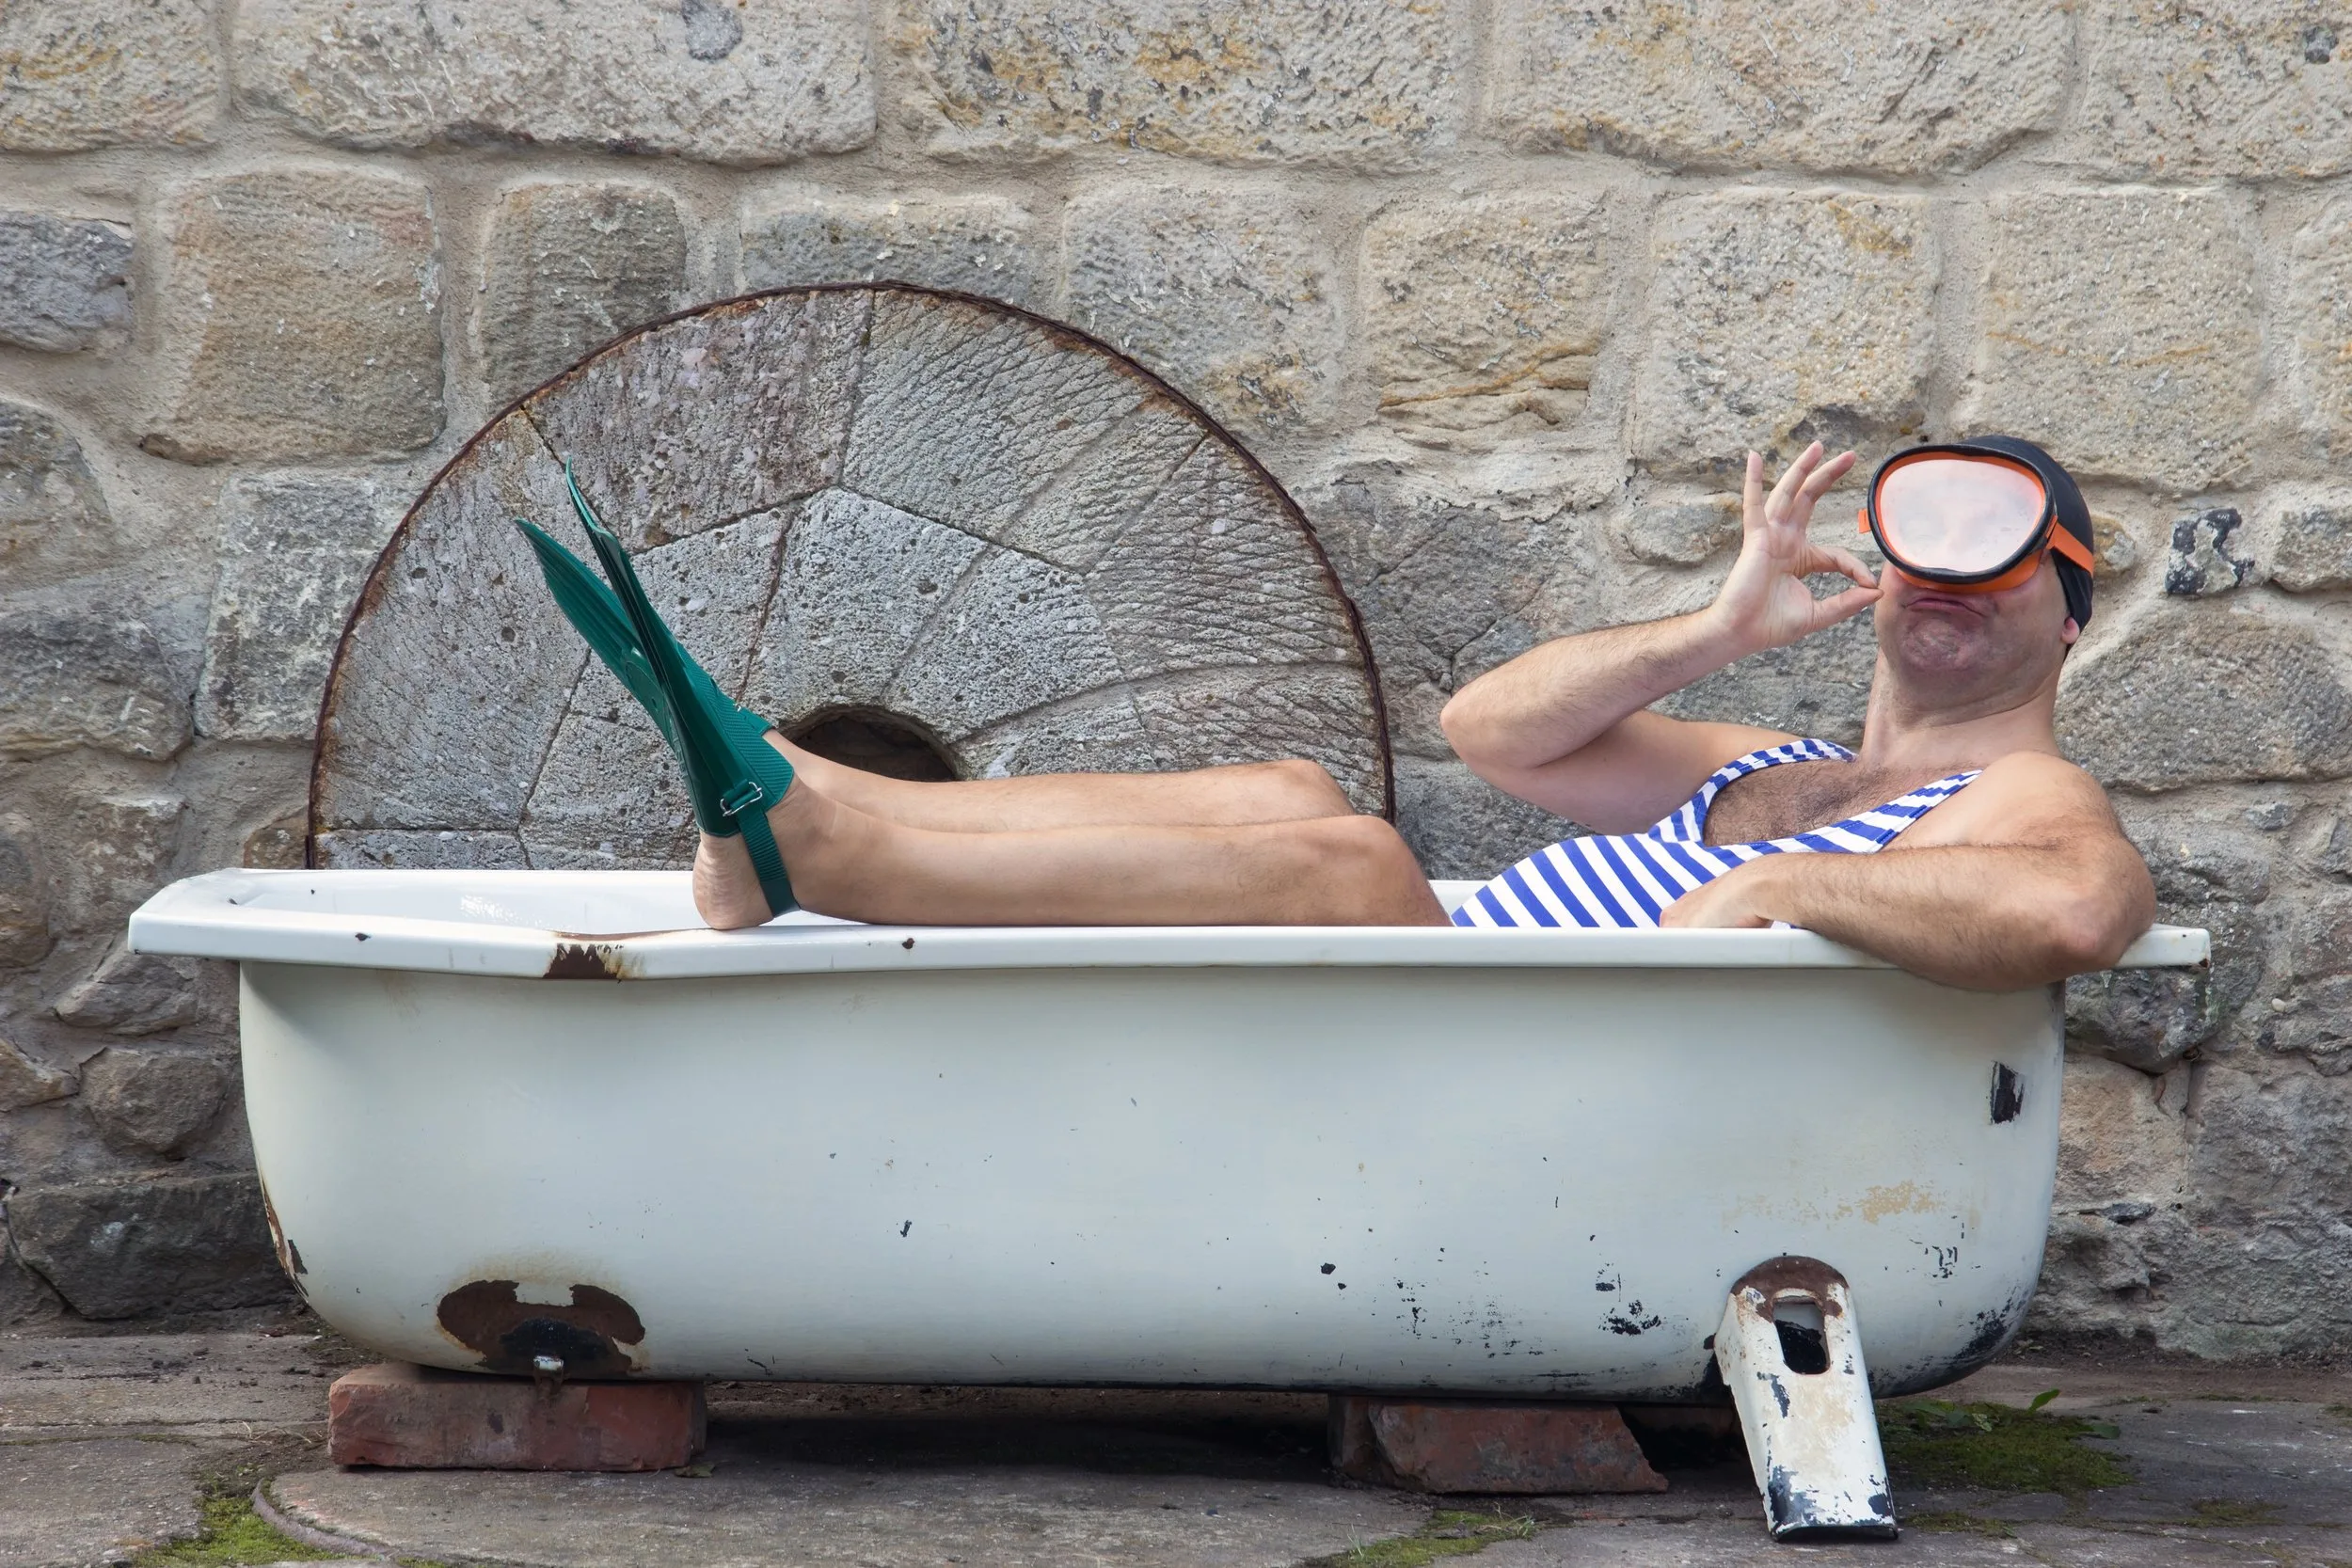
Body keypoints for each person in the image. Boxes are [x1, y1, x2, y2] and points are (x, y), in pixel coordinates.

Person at [516, 436, 2154, 991]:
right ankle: (794, 813)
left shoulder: (2018, 802)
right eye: (1923, 560)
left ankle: (830, 839)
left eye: (1997, 572)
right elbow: (1496, 732)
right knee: (1315, 788)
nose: (1947, 589)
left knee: (1357, 864)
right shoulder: (1784, 763)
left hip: (1522, 1043)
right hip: (1461, 989)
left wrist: (1791, 886)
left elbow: (2085, 904)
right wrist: (1714, 630)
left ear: (2067, 610)